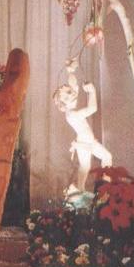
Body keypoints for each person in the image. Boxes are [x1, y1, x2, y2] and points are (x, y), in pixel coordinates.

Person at [53, 58, 112, 190]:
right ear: (63, 103)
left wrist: (70, 71)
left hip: (88, 141)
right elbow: (92, 108)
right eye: (68, 94)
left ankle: (105, 185)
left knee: (102, 159)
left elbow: (74, 85)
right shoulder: (72, 115)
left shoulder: (71, 110)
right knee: (86, 166)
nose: (73, 93)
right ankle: (81, 189)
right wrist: (92, 92)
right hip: (84, 143)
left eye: (70, 91)